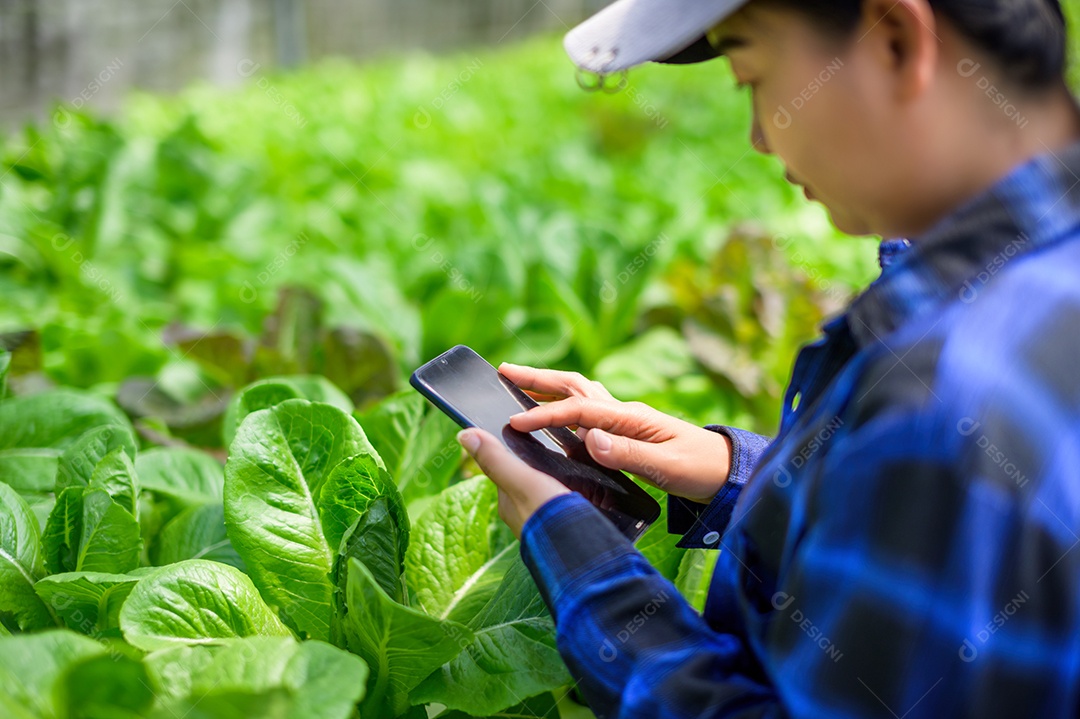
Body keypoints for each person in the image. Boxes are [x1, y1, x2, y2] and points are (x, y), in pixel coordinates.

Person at [457, 0, 1080, 715]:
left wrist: (586, 569)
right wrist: (742, 473)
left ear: (898, 40)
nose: (758, 135)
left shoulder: (943, 404)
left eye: (752, 76)